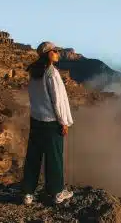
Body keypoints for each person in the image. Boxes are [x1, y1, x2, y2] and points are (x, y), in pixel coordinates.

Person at [21, 41, 74, 205]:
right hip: (51, 122)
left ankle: (28, 193)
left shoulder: (35, 72)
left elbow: (33, 97)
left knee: (33, 157)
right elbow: (57, 101)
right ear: (48, 54)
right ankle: (57, 192)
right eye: (55, 51)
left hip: (36, 120)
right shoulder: (51, 73)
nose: (58, 53)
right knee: (54, 157)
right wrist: (63, 122)